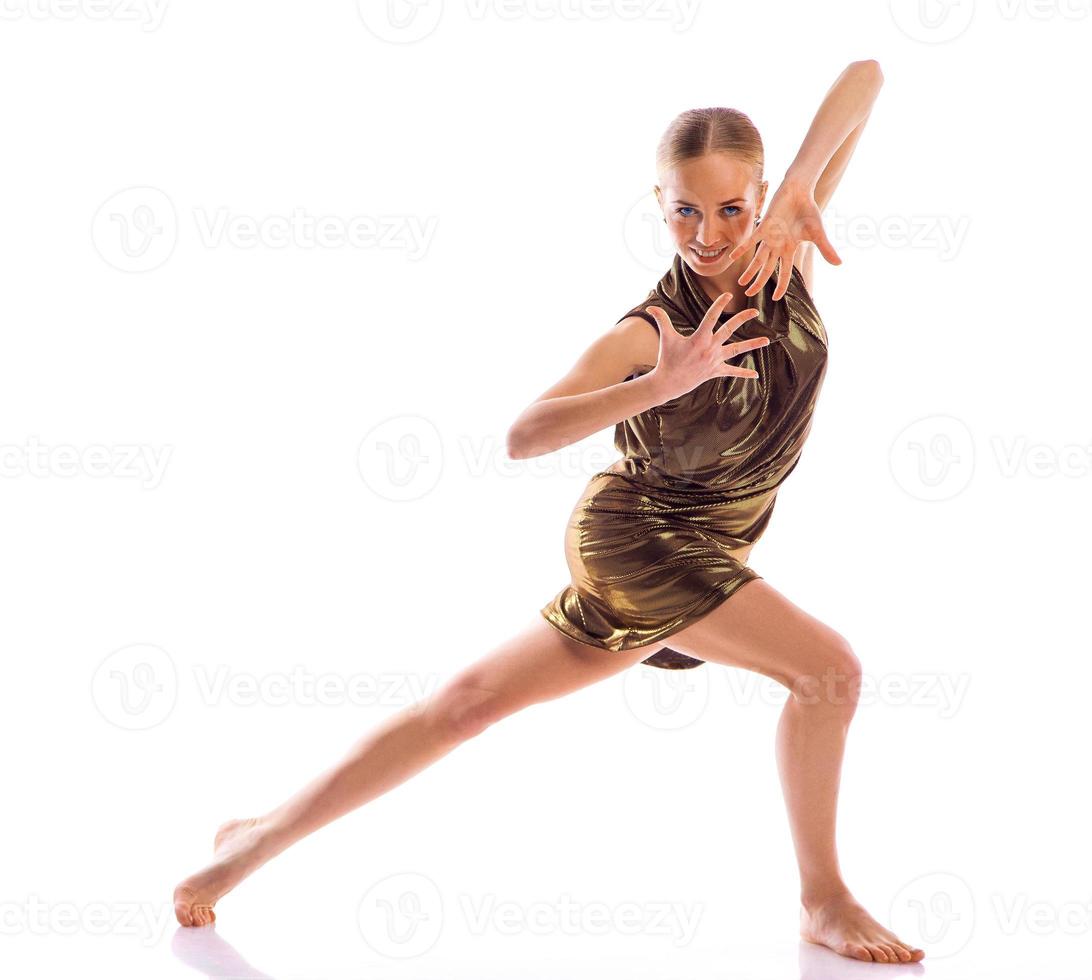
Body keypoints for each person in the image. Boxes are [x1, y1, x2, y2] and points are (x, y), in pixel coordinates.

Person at [174, 58, 924, 965]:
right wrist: (660, 380)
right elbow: (524, 435)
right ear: (658, 202)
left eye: (732, 207)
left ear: (761, 194)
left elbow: (867, 78)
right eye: (685, 209)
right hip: (639, 537)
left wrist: (806, 184)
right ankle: (824, 898)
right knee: (828, 673)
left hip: (710, 543)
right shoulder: (650, 327)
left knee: (464, 707)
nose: (709, 233)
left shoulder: (784, 250)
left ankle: (246, 847)